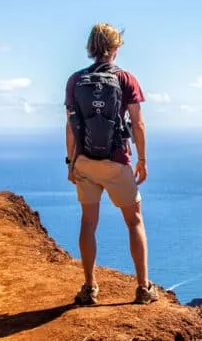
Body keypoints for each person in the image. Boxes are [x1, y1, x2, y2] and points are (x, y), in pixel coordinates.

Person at [64, 22, 159, 305]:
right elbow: (138, 124)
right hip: (117, 161)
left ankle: (89, 288)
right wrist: (141, 159)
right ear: (115, 47)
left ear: (91, 47)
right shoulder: (126, 79)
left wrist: (71, 161)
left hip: (84, 161)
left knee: (88, 221)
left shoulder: (75, 80)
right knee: (134, 220)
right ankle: (143, 288)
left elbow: (70, 126)